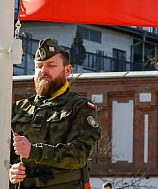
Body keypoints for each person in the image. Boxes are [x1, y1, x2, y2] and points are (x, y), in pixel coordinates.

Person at [9, 38, 101, 188]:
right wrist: (10, 170)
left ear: (67, 70)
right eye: (39, 66)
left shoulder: (80, 107)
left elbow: (78, 155)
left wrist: (34, 151)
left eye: (51, 65)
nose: (43, 71)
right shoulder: (19, 108)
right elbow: (4, 154)